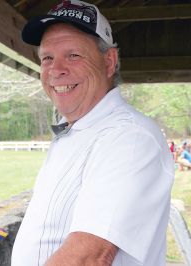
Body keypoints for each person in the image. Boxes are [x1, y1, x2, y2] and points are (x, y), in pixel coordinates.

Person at [11, 1, 174, 265]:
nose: (56, 70)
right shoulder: (76, 131)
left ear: (109, 62)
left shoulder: (129, 138)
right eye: (47, 58)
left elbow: (90, 256)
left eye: (73, 55)